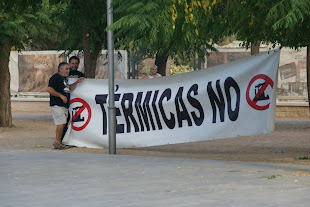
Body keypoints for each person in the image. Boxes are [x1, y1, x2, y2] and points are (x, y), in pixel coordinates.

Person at [47, 62, 83, 150]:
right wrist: (61, 96)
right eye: (66, 69)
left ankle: (60, 141)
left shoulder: (64, 79)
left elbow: (69, 88)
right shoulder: (55, 78)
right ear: (60, 69)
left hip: (64, 106)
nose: (68, 71)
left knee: (63, 123)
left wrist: (77, 82)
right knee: (61, 123)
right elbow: (49, 89)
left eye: (68, 69)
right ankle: (57, 142)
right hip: (57, 104)